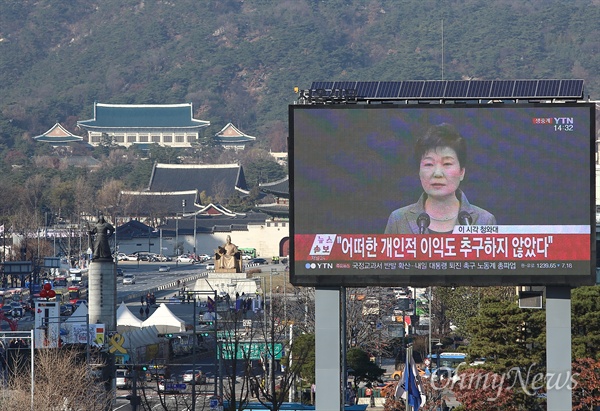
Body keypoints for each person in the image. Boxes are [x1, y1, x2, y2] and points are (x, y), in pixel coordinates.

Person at [385, 123, 496, 234]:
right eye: (429, 164)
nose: (437, 173)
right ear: (419, 171)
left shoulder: (485, 220)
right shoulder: (398, 220)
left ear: (462, 172)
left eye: (447, 164)